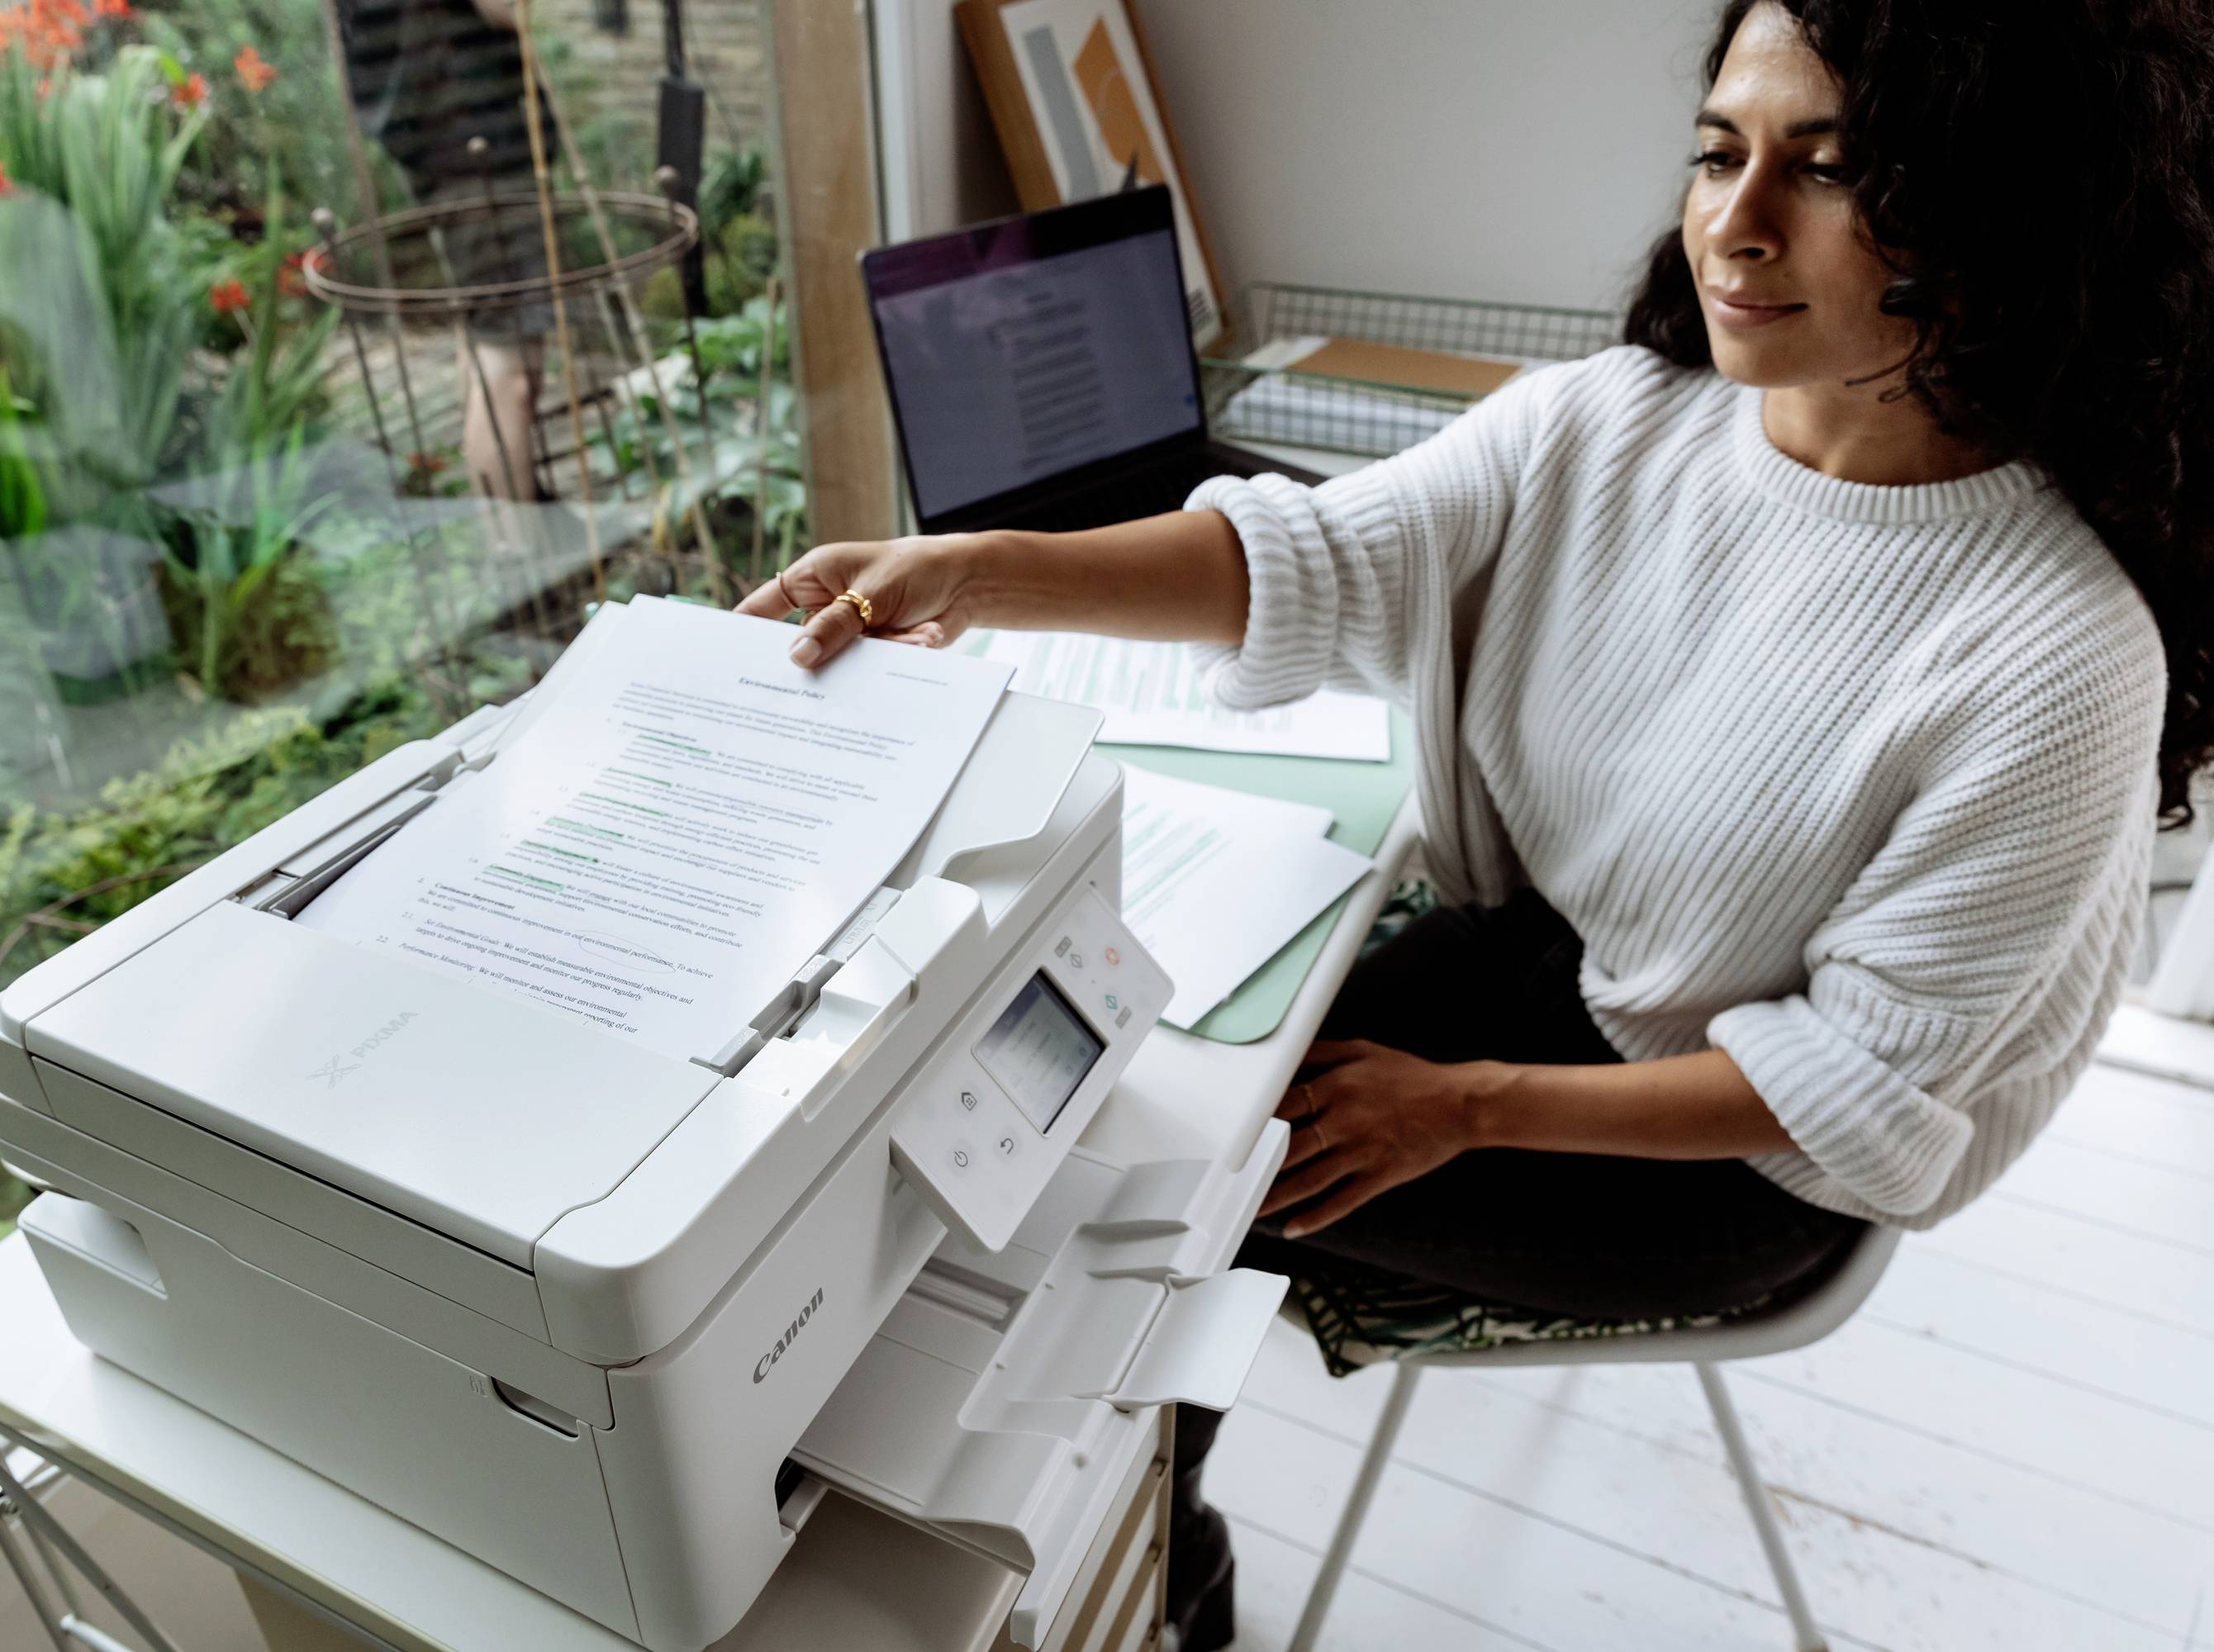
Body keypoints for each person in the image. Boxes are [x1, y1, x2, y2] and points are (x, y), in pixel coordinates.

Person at [737, 1, 2214, 1646]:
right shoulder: (1613, 424)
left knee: (1166, 1195)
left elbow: (1840, 1093)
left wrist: (1466, 1107)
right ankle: (1131, 1530)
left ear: (1996, 216)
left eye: (1831, 171)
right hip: (1555, 975)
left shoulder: (2054, 656)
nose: (1737, 223)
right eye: (1720, 152)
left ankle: (1154, 1574)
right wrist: (977, 567)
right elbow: (1320, 555)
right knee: (1136, 1105)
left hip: (1729, 1160)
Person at [339, 0, 558, 500]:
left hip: (434, 132)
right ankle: (515, 552)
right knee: (511, 366)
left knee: (487, 335)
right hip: (476, 142)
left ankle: (508, 530)